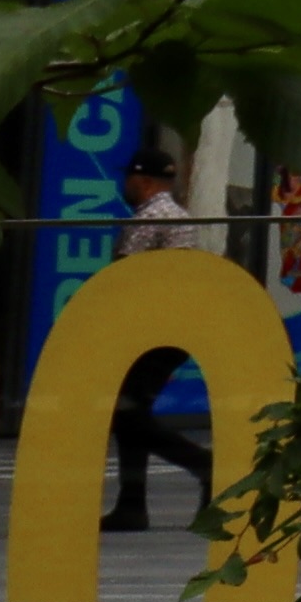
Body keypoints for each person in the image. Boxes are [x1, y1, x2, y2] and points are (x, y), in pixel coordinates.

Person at [105, 141, 215, 534]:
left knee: (127, 412)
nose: (125, 184)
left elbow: (125, 274)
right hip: (175, 328)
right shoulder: (179, 215)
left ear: (144, 181)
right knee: (130, 410)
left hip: (151, 330)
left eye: (129, 178)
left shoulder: (149, 217)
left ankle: (205, 465)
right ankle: (131, 504)